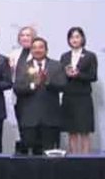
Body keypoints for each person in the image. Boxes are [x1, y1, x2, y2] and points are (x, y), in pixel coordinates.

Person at [14, 37, 67, 155]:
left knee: (49, 154)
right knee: (30, 157)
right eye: (34, 48)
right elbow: (17, 88)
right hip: (29, 119)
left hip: (50, 119)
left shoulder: (56, 65)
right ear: (31, 50)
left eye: (41, 47)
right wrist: (33, 85)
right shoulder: (23, 66)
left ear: (46, 50)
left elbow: (63, 85)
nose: (37, 50)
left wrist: (47, 82)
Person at [60, 26, 98, 154]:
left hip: (83, 97)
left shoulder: (90, 56)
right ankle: (73, 158)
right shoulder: (64, 56)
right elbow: (60, 76)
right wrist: (66, 74)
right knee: (72, 131)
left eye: (77, 37)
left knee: (84, 131)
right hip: (68, 96)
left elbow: (93, 76)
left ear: (82, 38)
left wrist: (78, 74)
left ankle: (85, 159)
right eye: (71, 37)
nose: (74, 40)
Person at [9, 25, 37, 153]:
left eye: (28, 35)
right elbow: (10, 76)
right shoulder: (13, 54)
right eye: (22, 35)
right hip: (18, 97)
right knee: (20, 128)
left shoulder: (38, 52)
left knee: (34, 130)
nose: (25, 38)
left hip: (34, 97)